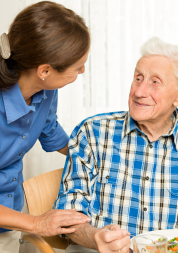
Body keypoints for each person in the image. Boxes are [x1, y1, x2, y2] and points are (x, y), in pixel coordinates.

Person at [54, 36, 178, 253]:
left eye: (155, 82)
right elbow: (68, 214)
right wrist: (96, 238)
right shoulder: (92, 133)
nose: (139, 92)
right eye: (138, 78)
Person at [0, 1, 91, 252]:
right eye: (77, 67)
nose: (82, 70)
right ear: (45, 70)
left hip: (9, 217)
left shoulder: (45, 91)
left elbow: (49, 130)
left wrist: (94, 156)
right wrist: (37, 223)